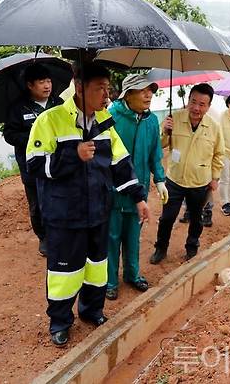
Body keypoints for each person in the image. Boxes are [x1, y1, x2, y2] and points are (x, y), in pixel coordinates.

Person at [26, 62, 150, 347]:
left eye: (108, 88)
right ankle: (60, 321)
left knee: (97, 267)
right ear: (79, 87)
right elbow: (33, 166)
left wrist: (138, 197)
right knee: (64, 273)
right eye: (100, 88)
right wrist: (72, 155)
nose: (106, 95)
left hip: (98, 211)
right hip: (64, 215)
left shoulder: (104, 122)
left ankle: (92, 311)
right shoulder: (50, 120)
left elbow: (120, 163)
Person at [105, 74, 167, 300]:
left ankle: (132, 274)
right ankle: (110, 280)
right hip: (113, 190)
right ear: (127, 94)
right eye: (142, 91)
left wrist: (159, 180)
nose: (148, 95)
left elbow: (155, 154)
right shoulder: (111, 117)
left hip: (138, 190)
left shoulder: (151, 121)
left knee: (133, 235)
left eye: (150, 90)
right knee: (111, 237)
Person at [150, 83, 224, 264]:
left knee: (196, 219)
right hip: (174, 180)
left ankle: (192, 247)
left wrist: (215, 178)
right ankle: (161, 248)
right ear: (188, 100)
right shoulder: (173, 119)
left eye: (202, 104)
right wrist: (165, 132)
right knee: (167, 218)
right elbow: (159, 146)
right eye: (193, 102)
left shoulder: (214, 127)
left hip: (200, 182)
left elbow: (219, 154)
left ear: (208, 106)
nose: (196, 108)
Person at [3, 63, 63, 257]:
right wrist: (34, 136)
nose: (47, 85)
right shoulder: (18, 108)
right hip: (32, 166)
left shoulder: (59, 103)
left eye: (49, 81)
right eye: (41, 82)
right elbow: (10, 135)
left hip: (57, 163)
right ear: (30, 85)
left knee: (60, 197)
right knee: (37, 204)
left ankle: (61, 232)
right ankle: (44, 237)